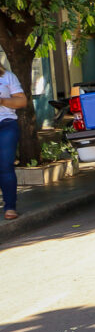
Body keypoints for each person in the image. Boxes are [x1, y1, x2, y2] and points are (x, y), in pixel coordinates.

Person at [0, 63, 28, 220]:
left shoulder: (7, 76)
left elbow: (21, 101)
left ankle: (10, 206)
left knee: (5, 165)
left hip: (6, 124)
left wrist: (2, 101)